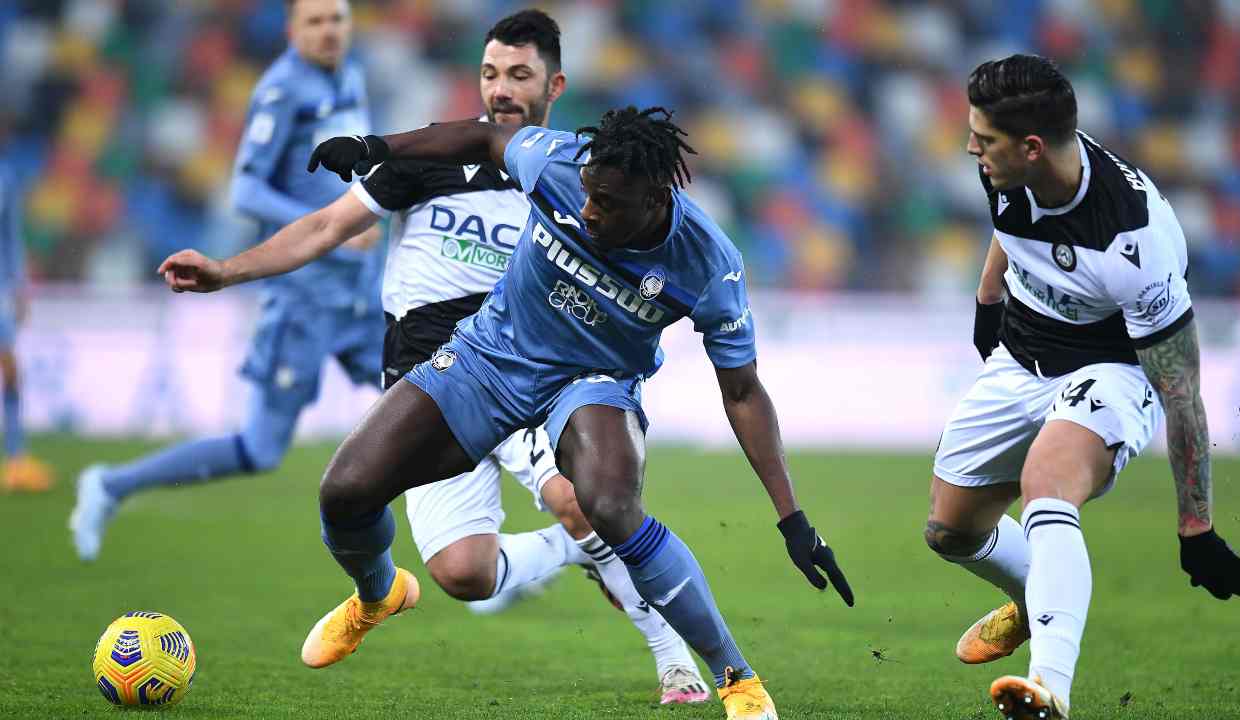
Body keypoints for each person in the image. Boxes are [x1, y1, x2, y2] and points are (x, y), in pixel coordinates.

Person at [163, 105, 855, 719]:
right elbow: (484, 137)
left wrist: (792, 520)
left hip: (592, 381)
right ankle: (377, 595)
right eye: (588, 196)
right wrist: (380, 145)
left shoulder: (709, 264)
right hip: (488, 358)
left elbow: (742, 393)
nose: (588, 213)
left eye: (608, 205)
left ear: (655, 200)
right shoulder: (558, 164)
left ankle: (737, 678)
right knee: (345, 492)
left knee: (610, 506)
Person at [154, 9, 711, 703]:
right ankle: (538, 555)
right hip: (427, 387)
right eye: (489, 73)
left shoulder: (574, 178)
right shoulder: (432, 157)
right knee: (464, 573)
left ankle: (675, 662)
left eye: (519, 75)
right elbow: (328, 226)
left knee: (576, 499)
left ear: (555, 84)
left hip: (525, 373)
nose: (500, 89)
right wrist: (226, 271)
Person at [924, 54, 1240, 719]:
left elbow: (1182, 388)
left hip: (1111, 370)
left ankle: (1048, 689)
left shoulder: (1132, 238)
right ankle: (1035, 597)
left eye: (983, 140)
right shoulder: (1005, 166)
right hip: (1021, 355)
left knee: (1046, 485)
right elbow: (1009, 224)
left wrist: (1197, 527)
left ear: (1032, 147)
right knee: (949, 532)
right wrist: (989, 296)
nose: (970, 148)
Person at [70, 0, 384, 561]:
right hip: (302, 298)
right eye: (315, 21)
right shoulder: (283, 90)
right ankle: (110, 484)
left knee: (429, 407)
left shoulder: (352, 74)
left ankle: (482, 568)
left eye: (337, 18)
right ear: (292, 30)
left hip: (358, 290)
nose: (330, 30)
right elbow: (246, 192)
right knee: (261, 449)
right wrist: (328, 227)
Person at [0, 153, 53, 492]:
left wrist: (19, 286)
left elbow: (10, 235)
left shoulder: (5, 176)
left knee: (11, 369)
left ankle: (17, 460)